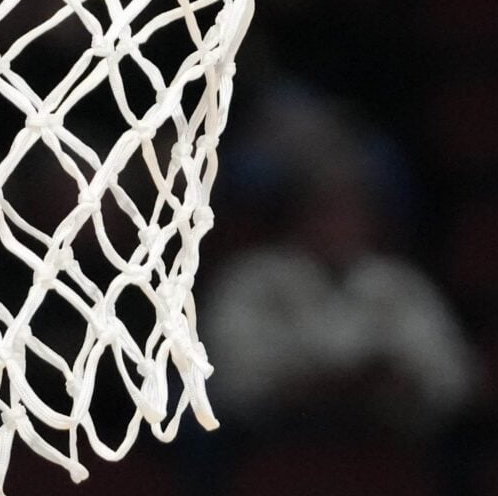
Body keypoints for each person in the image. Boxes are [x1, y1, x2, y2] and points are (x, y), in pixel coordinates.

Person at [201, 157, 475, 433]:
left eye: (348, 212)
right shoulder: (249, 280)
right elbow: (227, 382)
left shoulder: (400, 283)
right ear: (297, 215)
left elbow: (454, 380)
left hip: (385, 444)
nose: (336, 225)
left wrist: (398, 382)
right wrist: (314, 386)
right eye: (324, 211)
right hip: (278, 445)